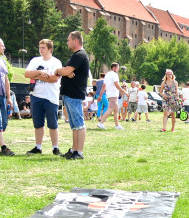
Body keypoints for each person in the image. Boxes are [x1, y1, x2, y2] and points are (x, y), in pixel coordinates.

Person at [23, 38, 65, 155]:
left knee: (53, 124)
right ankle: (38, 147)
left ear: (50, 49)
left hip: (51, 97)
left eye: (43, 48)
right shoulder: (35, 60)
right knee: (38, 124)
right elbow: (26, 74)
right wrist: (40, 73)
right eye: (40, 47)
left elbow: (54, 79)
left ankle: (55, 148)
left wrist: (36, 75)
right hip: (36, 95)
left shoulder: (56, 62)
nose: (40, 50)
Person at [57, 31, 90, 160]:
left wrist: (58, 70)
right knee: (75, 125)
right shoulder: (76, 55)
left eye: (68, 40)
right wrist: (65, 72)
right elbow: (67, 71)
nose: (67, 42)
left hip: (74, 94)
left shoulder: (79, 55)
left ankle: (79, 152)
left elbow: (66, 70)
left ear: (75, 41)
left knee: (79, 124)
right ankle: (74, 149)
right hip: (70, 94)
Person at [97, 62, 127, 130]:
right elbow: (116, 84)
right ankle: (101, 123)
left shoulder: (107, 74)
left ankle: (117, 125)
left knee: (116, 109)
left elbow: (104, 86)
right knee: (110, 108)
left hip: (110, 93)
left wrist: (100, 95)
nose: (118, 69)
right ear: (114, 67)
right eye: (117, 68)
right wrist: (124, 91)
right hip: (113, 94)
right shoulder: (114, 74)